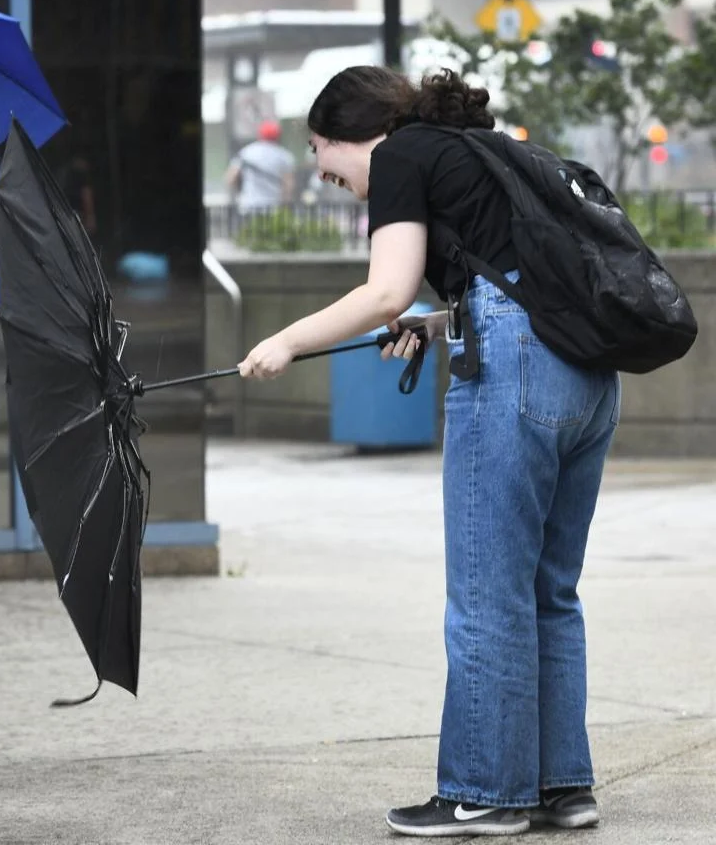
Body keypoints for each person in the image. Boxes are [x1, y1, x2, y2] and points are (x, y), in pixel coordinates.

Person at [238, 66, 617, 837]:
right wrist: (442, 320)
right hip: (589, 375)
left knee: (486, 592)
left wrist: (285, 339)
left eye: (320, 150)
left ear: (354, 134)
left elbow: (385, 289)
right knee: (550, 591)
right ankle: (559, 787)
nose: (321, 173)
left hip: (514, 373)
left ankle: (484, 790)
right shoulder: (477, 148)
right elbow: (508, 280)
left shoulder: (402, 157)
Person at [224, 119, 296, 212]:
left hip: (249, 206)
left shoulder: (246, 152)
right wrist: (285, 207)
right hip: (273, 209)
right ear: (278, 136)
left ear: (260, 135)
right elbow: (288, 185)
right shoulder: (284, 156)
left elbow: (230, 178)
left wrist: (241, 193)